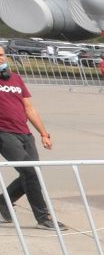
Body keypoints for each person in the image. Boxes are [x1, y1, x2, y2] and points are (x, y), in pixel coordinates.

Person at [0, 41, 62, 230]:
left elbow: (29, 108)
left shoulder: (16, 79)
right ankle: (43, 217)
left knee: (34, 172)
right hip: (3, 133)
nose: (0, 59)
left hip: (25, 133)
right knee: (30, 172)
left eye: (1, 55)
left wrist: (44, 133)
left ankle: (4, 201)